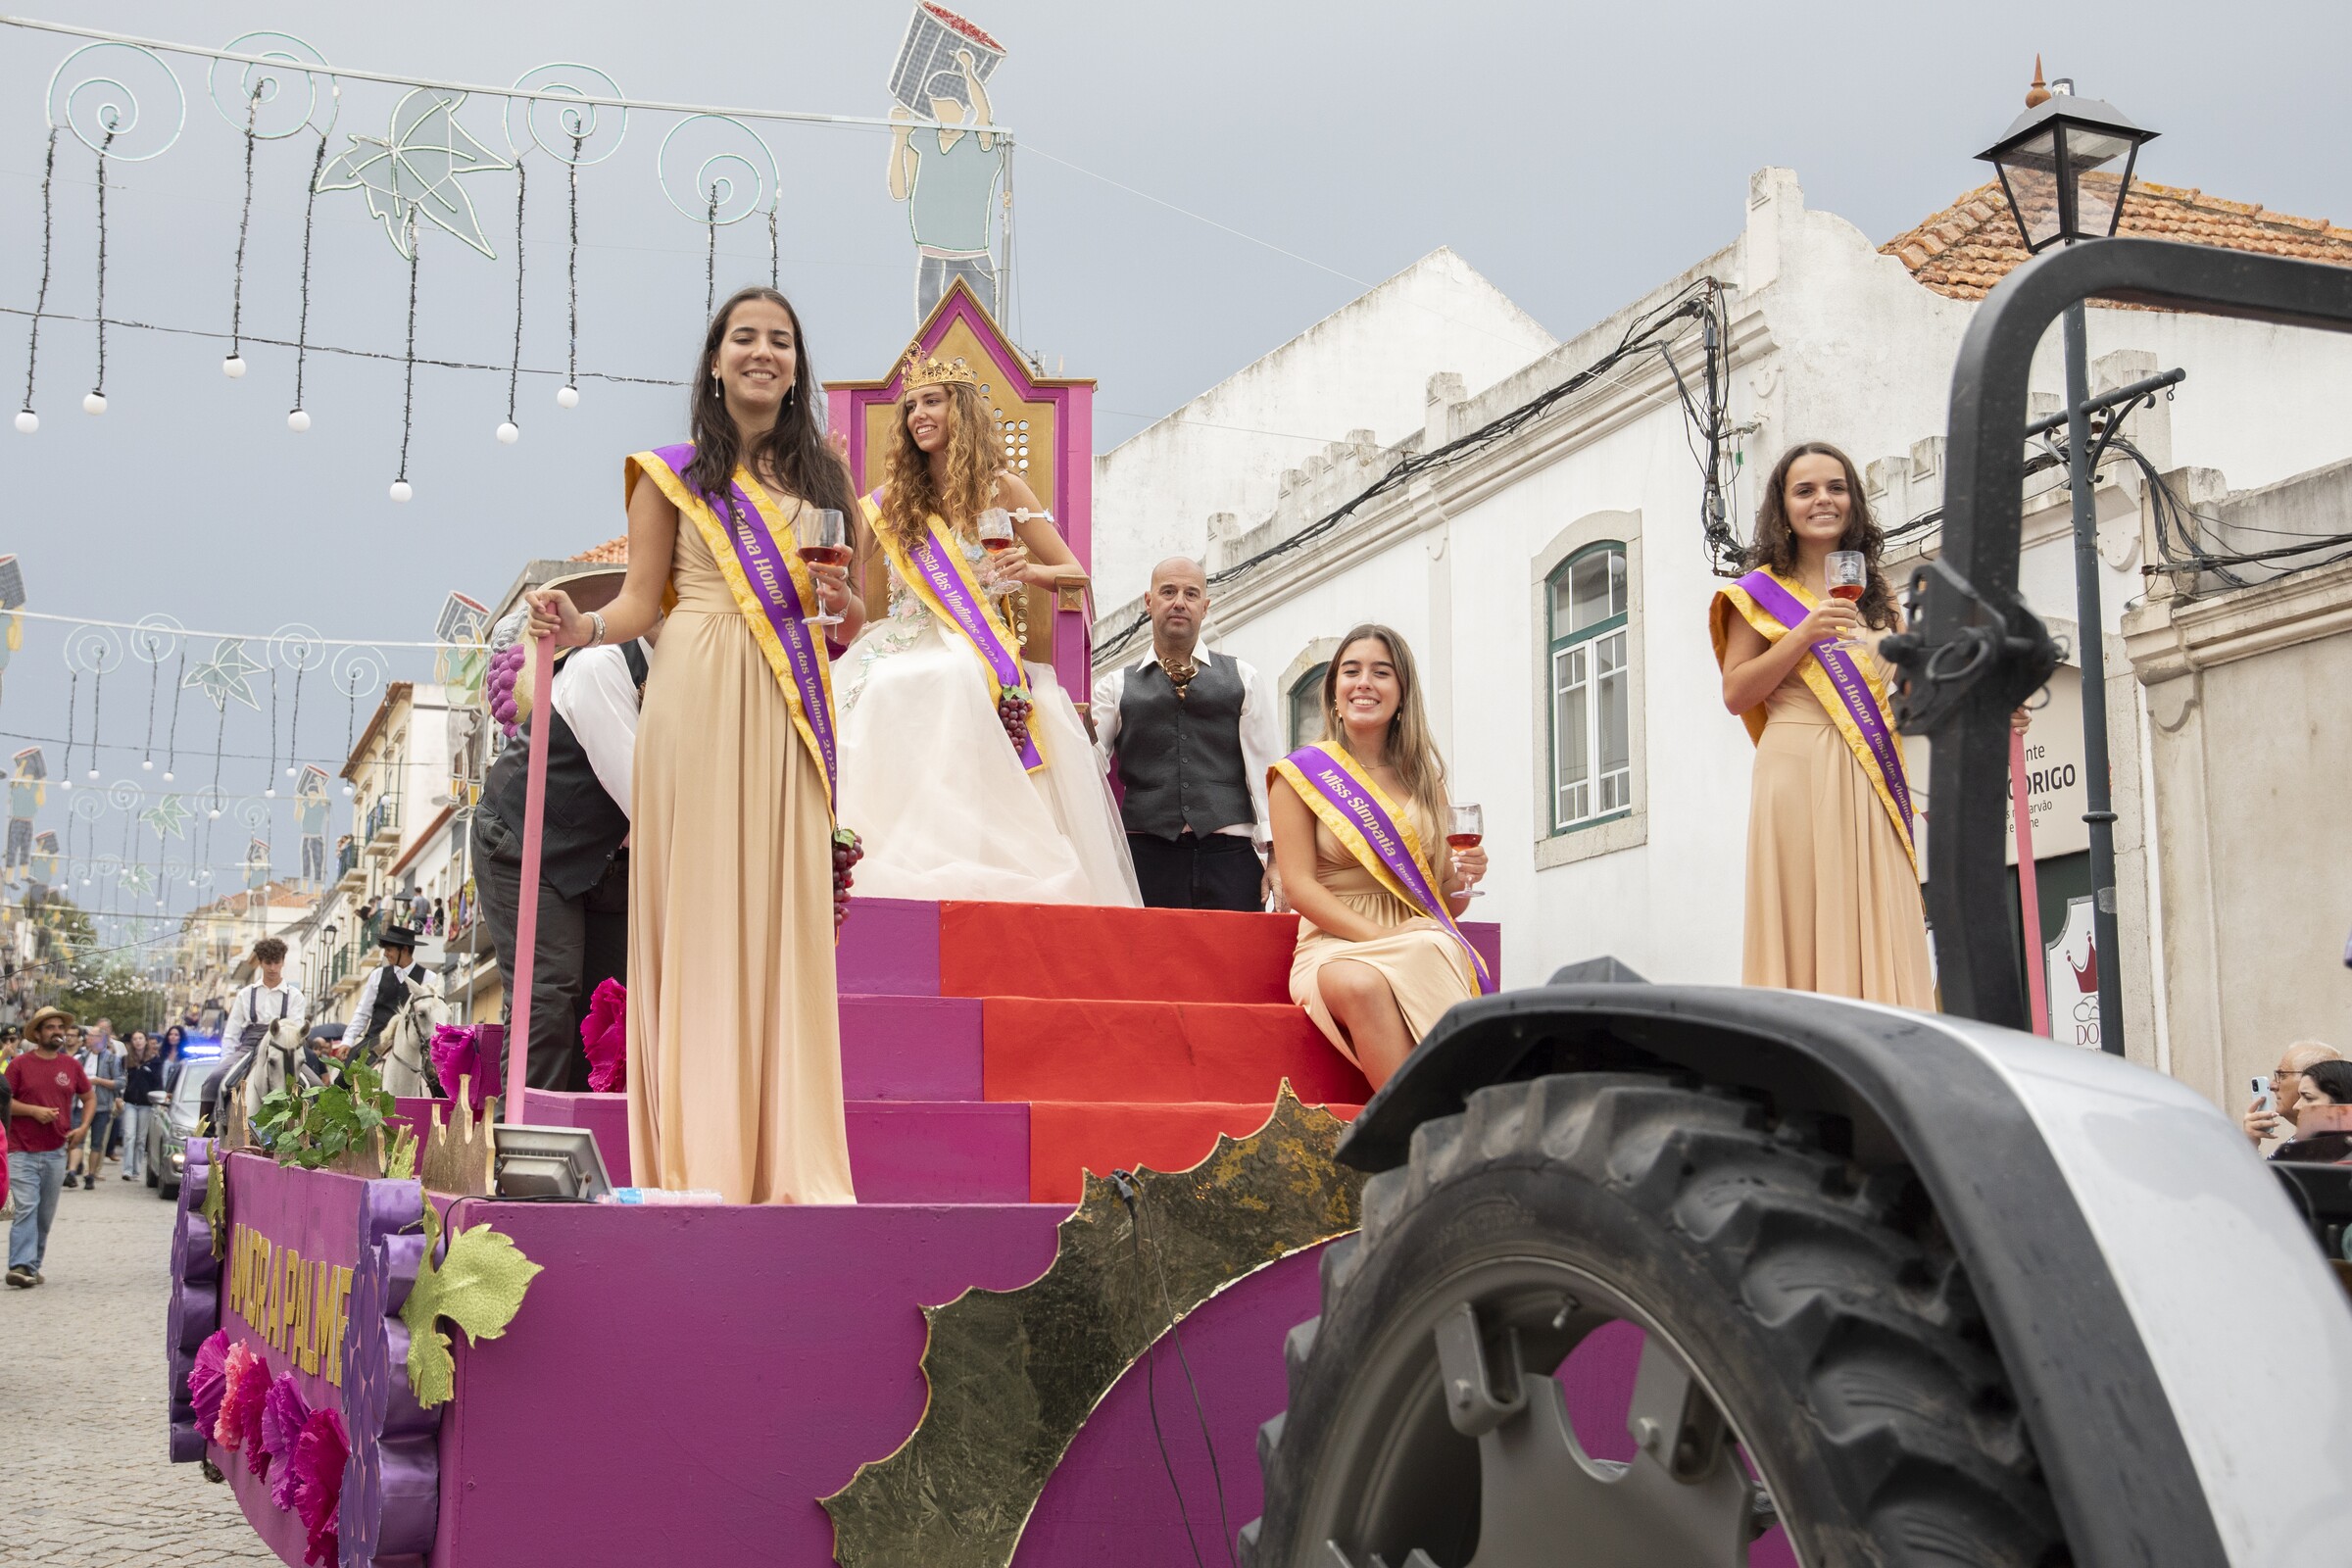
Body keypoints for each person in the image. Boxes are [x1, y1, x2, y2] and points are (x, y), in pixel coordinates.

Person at [526, 285, 857, 1206]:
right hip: (697, 692)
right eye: (744, 338)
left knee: (781, 920)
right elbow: (637, 604)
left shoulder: (829, 484)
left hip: (788, 704)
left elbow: (853, 614)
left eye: (780, 341)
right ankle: (704, 1162)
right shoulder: (672, 474)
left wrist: (845, 614)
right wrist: (577, 623)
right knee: (705, 920)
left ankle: (791, 1158)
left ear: (798, 367)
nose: (763, 352)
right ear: (715, 362)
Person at [836, 344, 1139, 906]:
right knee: (875, 687)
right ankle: (890, 852)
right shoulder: (887, 502)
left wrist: (1032, 569)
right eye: (910, 406)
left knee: (949, 674)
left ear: (963, 411)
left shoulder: (1001, 490)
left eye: (933, 401)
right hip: (903, 636)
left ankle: (959, 853)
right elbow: (837, 563)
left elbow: (1075, 575)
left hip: (979, 646)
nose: (918, 414)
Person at [1712, 442, 1934, 1008]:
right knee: (1809, 909)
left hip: (1871, 773)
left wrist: (1991, 703)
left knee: (1883, 908)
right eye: (1805, 490)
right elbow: (1737, 693)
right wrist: (1803, 636)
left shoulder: (1879, 596)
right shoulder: (1756, 593)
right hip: (1797, 767)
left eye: (1836, 488)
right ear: (1782, 507)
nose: (1822, 501)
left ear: (1853, 501)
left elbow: (1909, 697)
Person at [1268, 625, 1490, 1090]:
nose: (1364, 682)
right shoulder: (1300, 775)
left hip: (1418, 938)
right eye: (1351, 671)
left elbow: (1444, 901)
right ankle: (1416, 1126)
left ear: (1402, 692)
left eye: (1381, 672)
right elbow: (1300, 886)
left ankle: (1463, 1105)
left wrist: (1464, 877)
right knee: (1370, 982)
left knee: (1432, 943)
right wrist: (1385, 936)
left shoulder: (1427, 781)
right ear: (1334, 691)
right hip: (1335, 942)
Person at [475, 565, 652, 1093]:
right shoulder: (601, 667)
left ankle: (583, 1148)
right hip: (525, 842)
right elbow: (645, 799)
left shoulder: (698, 684)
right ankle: (525, 1157)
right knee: (548, 994)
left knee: (607, 1004)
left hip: (604, 862)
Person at [1094, 558, 1282, 912]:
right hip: (1146, 860)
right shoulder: (1114, 686)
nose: (1179, 601)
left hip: (1231, 860)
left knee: (1234, 964)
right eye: (1168, 591)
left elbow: (1268, 774)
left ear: (1205, 607)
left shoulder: (1244, 677)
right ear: (1148, 602)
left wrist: (1277, 859)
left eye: (1190, 593)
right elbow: (1087, 765)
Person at [886, 48, 1003, 318]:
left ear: (963, 109)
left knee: (982, 341)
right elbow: (900, 190)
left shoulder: (980, 142)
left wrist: (969, 71)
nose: (942, 115)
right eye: (937, 107)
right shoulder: (922, 141)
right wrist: (900, 138)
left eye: (949, 107)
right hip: (931, 261)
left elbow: (984, 113)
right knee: (929, 347)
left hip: (972, 261)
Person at [7, 1007, 91, 1287]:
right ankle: (20, 1265)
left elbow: (89, 1097)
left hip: (56, 1151)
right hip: (21, 1149)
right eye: (51, 1027)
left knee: (44, 1215)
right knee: (27, 1208)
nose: (58, 1032)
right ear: (38, 1033)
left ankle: (32, 1265)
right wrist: (33, 1111)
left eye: (60, 1027)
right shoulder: (19, 1065)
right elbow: (3, 1102)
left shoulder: (71, 1066)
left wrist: (83, 1127)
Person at [344, 925, 430, 1065]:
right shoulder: (377, 975)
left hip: (412, 1042)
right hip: (376, 1040)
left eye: (389, 949)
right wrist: (347, 1041)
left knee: (437, 1081)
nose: (385, 954)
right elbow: (362, 1012)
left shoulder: (428, 978)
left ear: (405, 950)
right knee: (344, 1075)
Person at [2243, 1040, 2344, 1148]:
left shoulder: (2337, 1148)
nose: (2272, 1086)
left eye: (2282, 1075)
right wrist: (2250, 1146)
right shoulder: (2300, 1143)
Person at [2272, 1058, 2352, 1163]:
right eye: (2299, 1097)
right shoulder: (2299, 1152)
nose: (2296, 1106)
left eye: (2309, 1098)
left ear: (2341, 1104)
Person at [74, 1020, 122, 1190]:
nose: (88, 1038)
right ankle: (72, 1172)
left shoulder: (112, 1060)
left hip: (101, 1106)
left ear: (102, 1038)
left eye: (92, 1035)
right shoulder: (81, 1058)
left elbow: (120, 1082)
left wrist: (99, 1081)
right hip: (80, 1105)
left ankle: (90, 1175)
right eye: (88, 1035)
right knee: (77, 1138)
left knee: (96, 1142)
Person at [119, 1031, 158, 1181]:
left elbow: (157, 1082)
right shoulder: (125, 1060)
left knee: (141, 1139)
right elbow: (121, 1080)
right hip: (130, 1102)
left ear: (146, 1041)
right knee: (129, 1135)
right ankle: (127, 1169)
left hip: (146, 1104)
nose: (138, 1041)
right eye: (135, 1039)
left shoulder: (154, 1061)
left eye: (140, 1038)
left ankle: (136, 1169)